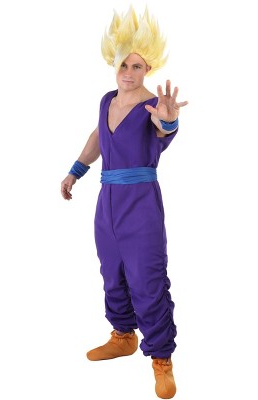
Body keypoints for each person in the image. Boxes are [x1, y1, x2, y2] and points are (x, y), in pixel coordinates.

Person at [61, 5, 188, 399]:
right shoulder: (107, 100)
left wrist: (169, 119)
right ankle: (122, 336)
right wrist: (76, 170)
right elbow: (99, 136)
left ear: (148, 68)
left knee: (147, 279)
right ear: (114, 65)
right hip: (107, 201)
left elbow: (164, 127)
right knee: (112, 272)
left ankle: (161, 359)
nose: (129, 72)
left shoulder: (152, 105)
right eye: (124, 65)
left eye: (137, 66)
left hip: (141, 203)